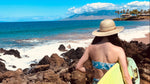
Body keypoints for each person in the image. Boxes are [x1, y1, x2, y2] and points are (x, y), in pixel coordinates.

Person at [76, 19, 132, 84]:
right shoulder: (118, 50)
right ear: (115, 33)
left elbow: (78, 67)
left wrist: (92, 72)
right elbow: (126, 77)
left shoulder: (90, 48)